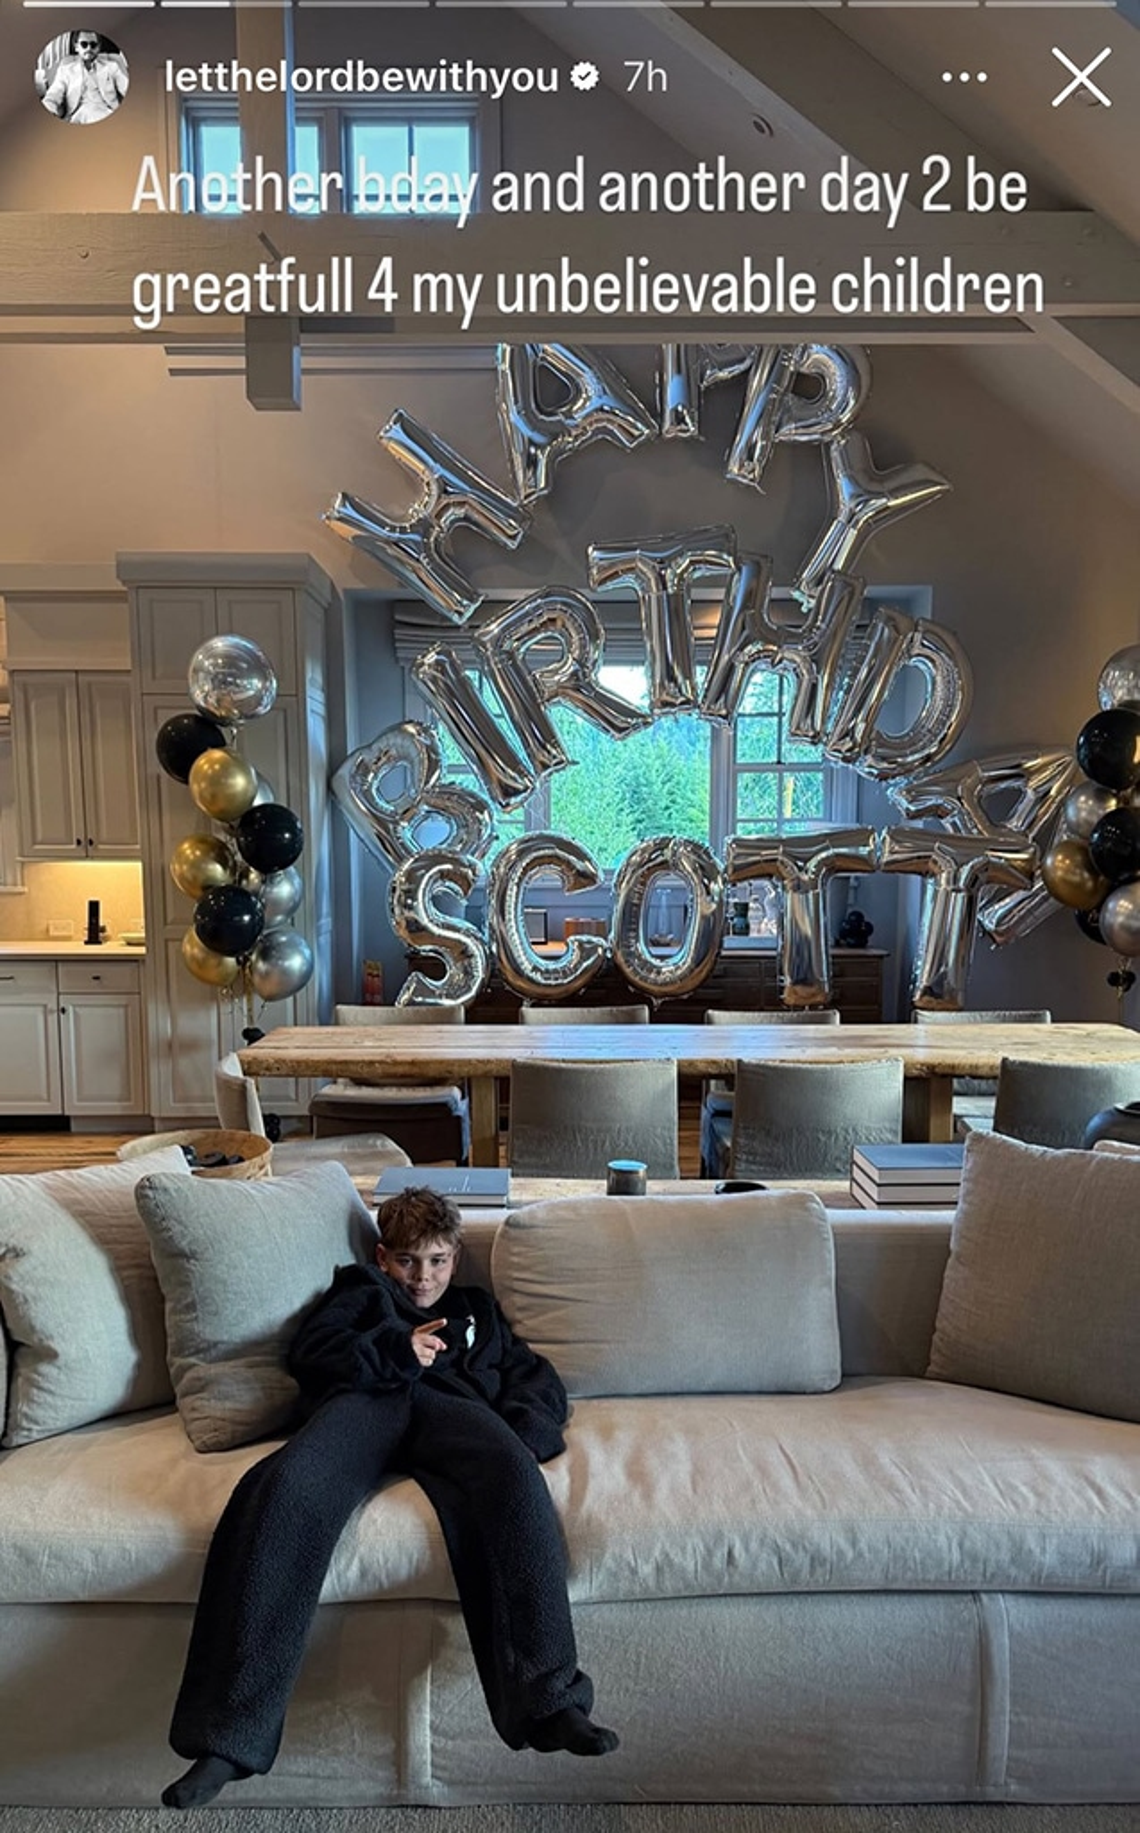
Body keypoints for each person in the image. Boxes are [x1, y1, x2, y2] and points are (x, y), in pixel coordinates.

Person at [162, 1186, 617, 1809]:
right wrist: (395, 1350)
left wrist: (522, 1431)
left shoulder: (475, 1312)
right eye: (407, 1261)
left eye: (436, 1261)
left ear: (455, 1258)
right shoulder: (362, 1292)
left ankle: (553, 1704)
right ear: (383, 1258)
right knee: (286, 1490)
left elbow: (532, 1377)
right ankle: (226, 1739)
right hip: (369, 1402)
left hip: (451, 1410)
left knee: (514, 1477)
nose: (422, 1277)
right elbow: (314, 1353)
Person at [41, 32, 127, 125]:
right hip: (78, 115)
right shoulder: (66, 70)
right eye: (84, 44)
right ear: (76, 47)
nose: (89, 48)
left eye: (93, 45)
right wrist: (48, 107)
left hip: (106, 112)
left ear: (98, 48)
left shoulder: (111, 67)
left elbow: (125, 87)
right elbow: (54, 93)